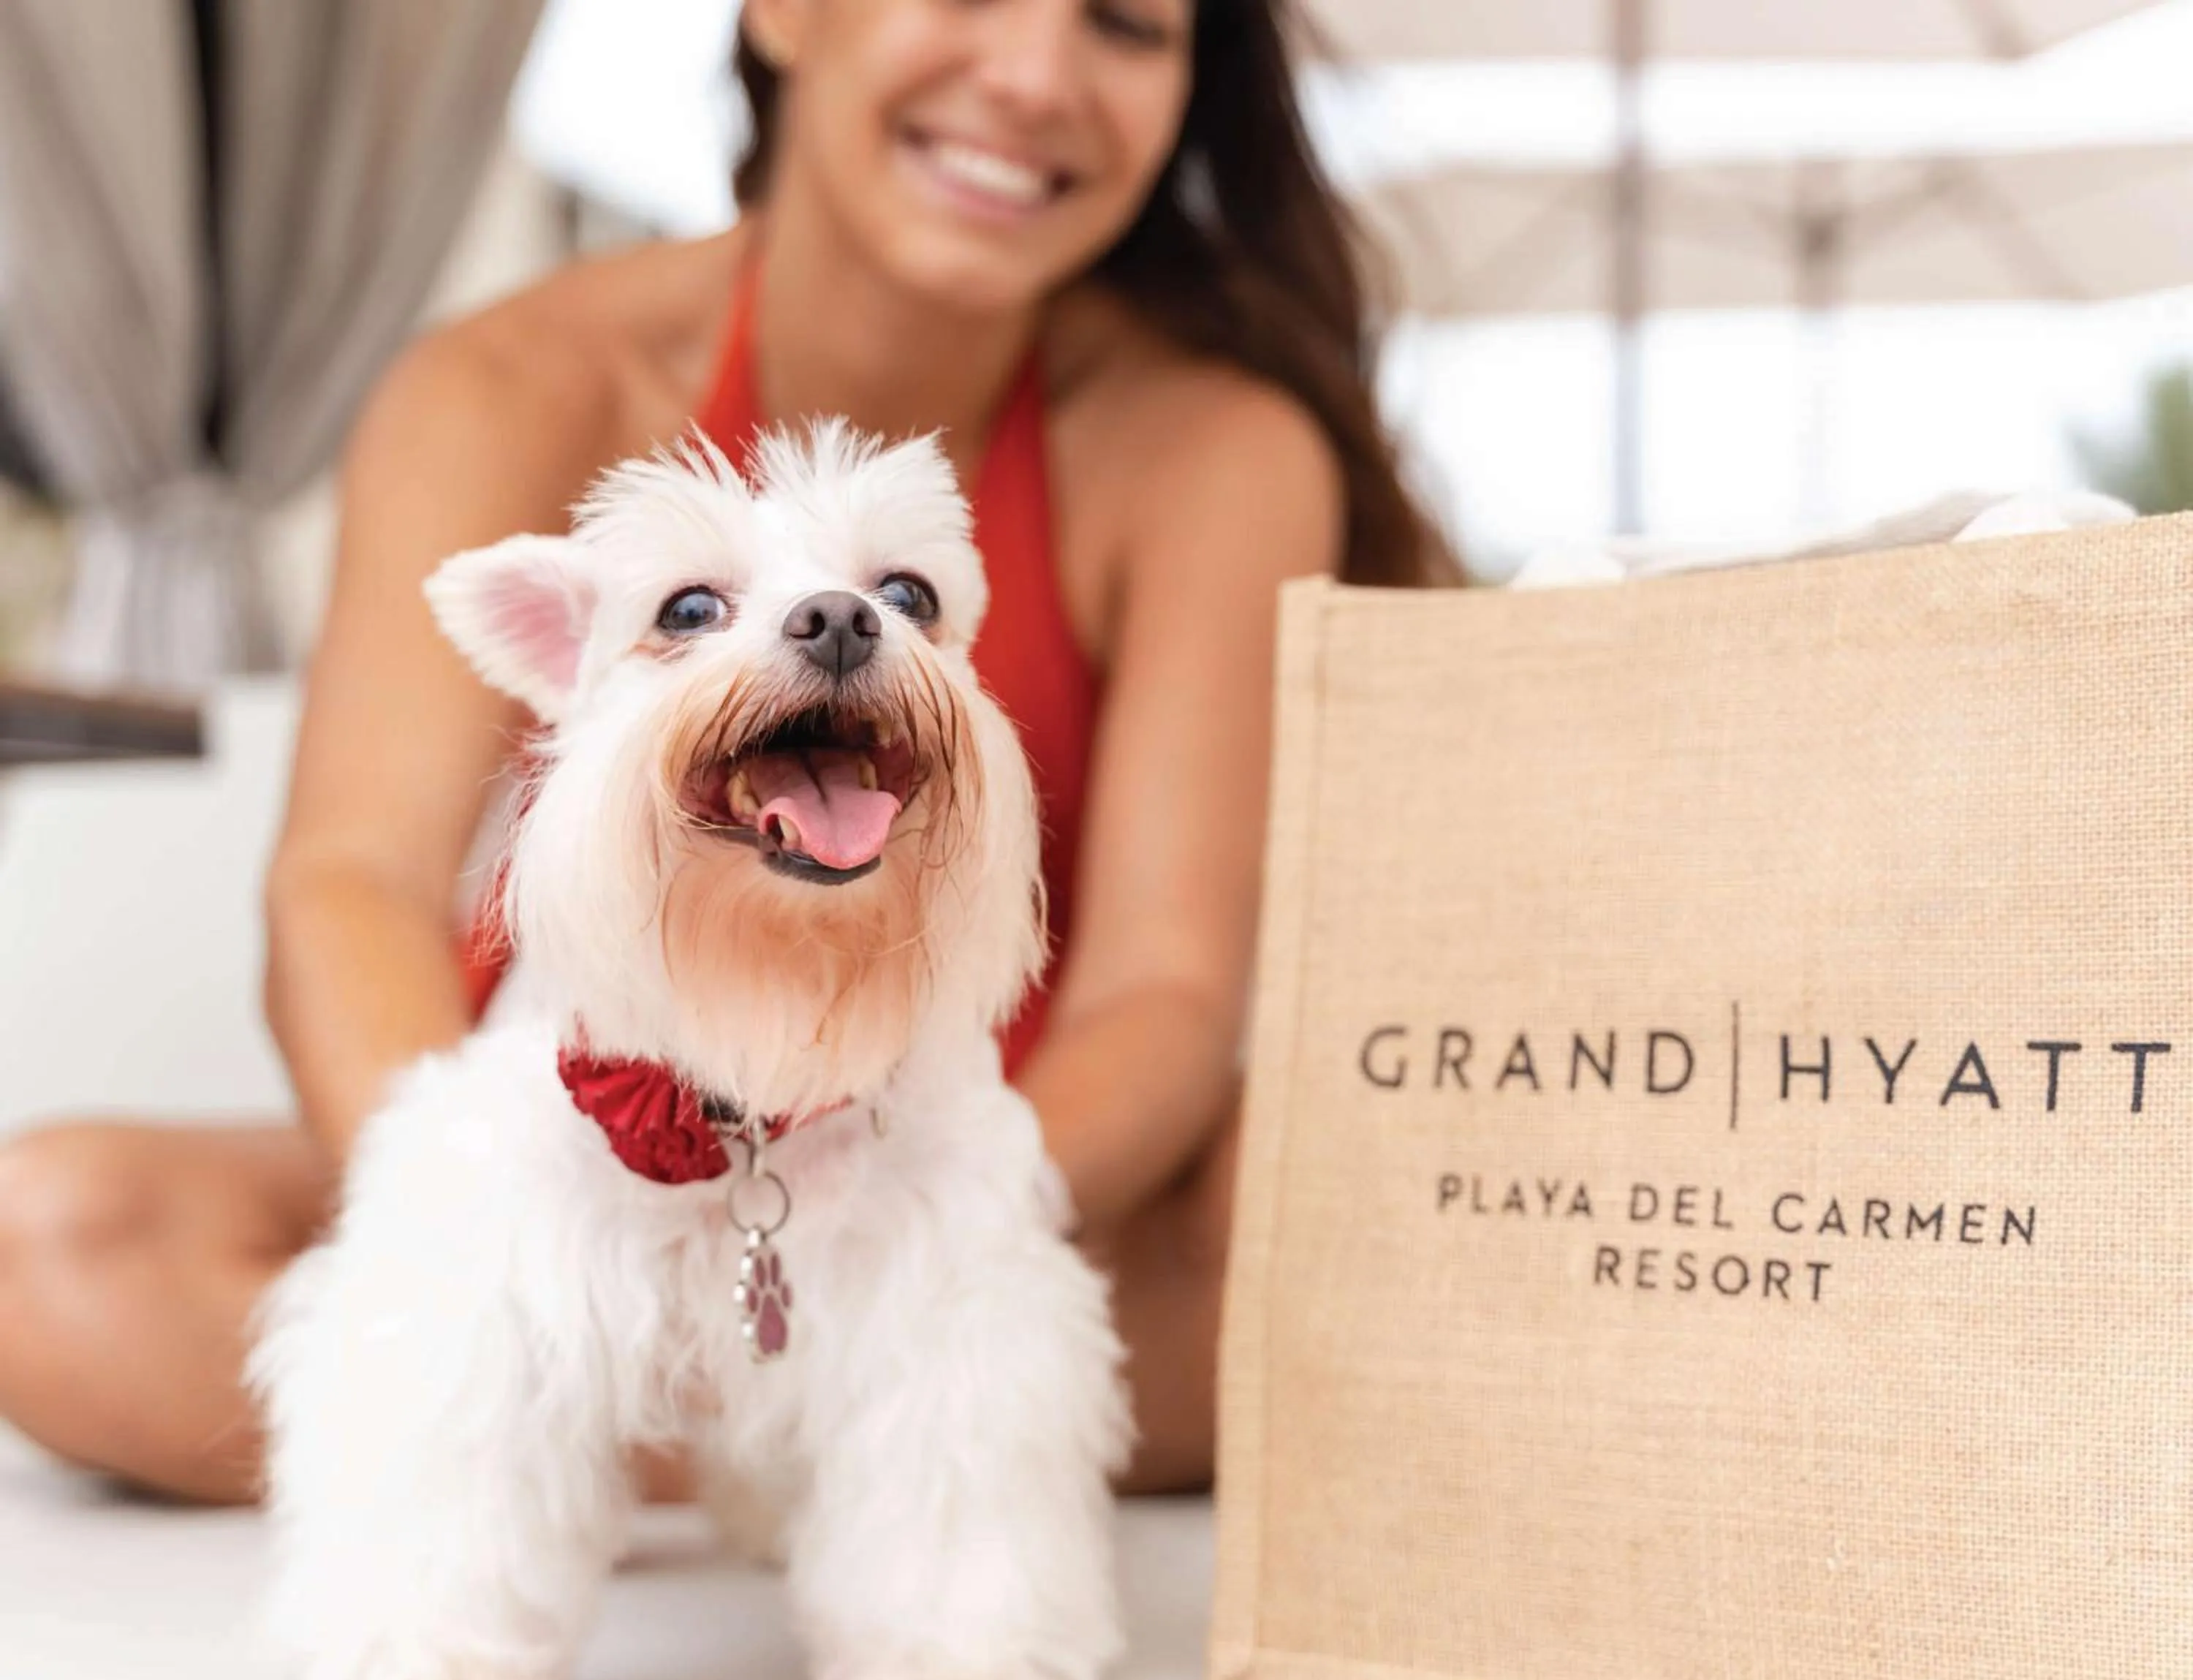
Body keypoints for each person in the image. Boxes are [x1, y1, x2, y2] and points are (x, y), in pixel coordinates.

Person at [0, 0, 1453, 1505]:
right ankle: (722, 1443)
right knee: (55, 1248)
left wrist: (930, 1233)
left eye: (1126, 28)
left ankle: (647, 1450)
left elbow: (1166, 992)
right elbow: (348, 885)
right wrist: (476, 1262)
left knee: (1350, 1250)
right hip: (580, 1168)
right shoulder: (503, 386)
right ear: (784, 12)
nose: (1034, 75)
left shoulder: (1216, 448)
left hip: (972, 1195)